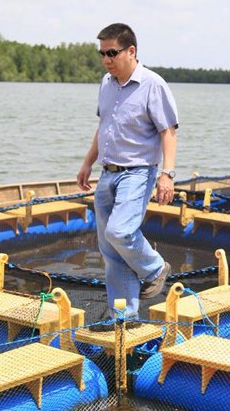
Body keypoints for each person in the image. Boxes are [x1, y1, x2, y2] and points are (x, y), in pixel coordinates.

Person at [76, 23, 179, 328]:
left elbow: (168, 132)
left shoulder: (153, 84)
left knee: (120, 232)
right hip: (107, 173)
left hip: (137, 172)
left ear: (131, 51)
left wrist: (167, 175)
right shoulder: (106, 84)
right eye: (102, 54)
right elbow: (104, 127)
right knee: (110, 250)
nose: (107, 59)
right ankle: (124, 314)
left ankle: (154, 268)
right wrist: (87, 163)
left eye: (112, 53)